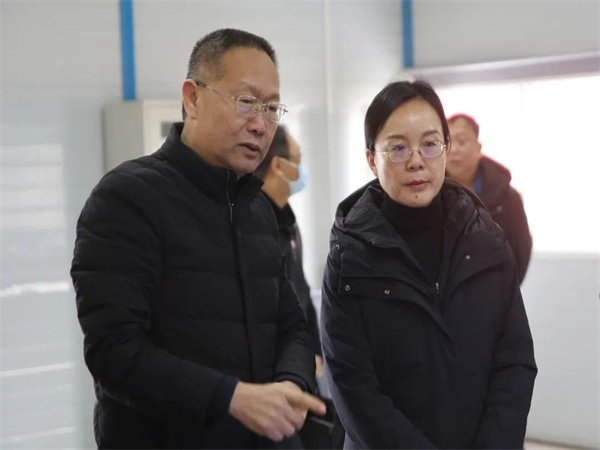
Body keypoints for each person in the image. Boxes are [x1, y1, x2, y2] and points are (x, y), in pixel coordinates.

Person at [71, 28, 325, 449]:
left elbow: (292, 326)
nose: (261, 124)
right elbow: (114, 351)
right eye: (246, 102)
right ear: (192, 98)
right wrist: (230, 398)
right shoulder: (127, 198)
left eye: (271, 108)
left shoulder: (258, 209)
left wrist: (290, 384)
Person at [321, 80, 537, 449]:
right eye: (398, 148)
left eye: (430, 143)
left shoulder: (487, 241)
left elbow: (515, 362)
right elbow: (351, 385)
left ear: (445, 149)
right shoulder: (350, 257)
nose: (417, 160)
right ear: (372, 160)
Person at [255, 127, 345, 449]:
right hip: (273, 377)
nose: (302, 167)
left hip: (300, 364)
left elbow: (301, 294)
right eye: (298, 158)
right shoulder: (255, 224)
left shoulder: (288, 222)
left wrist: (314, 350)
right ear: (278, 165)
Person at [446, 113, 532, 283]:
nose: (453, 150)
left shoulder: (507, 198)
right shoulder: (431, 194)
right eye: (447, 143)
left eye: (461, 142)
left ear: (478, 148)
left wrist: (504, 290)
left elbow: (520, 250)